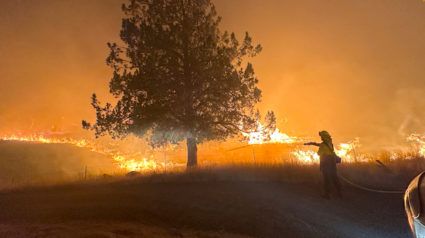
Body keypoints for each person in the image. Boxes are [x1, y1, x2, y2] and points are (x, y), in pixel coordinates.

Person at [304, 131, 342, 199]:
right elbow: (321, 145)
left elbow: (320, 152)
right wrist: (311, 143)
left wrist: (311, 144)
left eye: (321, 136)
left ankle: (327, 195)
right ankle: (339, 193)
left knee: (327, 179)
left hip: (326, 163)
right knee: (334, 178)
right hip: (332, 163)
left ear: (324, 137)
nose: (321, 138)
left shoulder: (323, 145)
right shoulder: (330, 144)